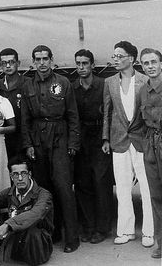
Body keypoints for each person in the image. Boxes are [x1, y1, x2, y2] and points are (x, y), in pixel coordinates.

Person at [20, 45, 80, 253]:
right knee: (44, 190)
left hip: (60, 137)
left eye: (46, 58)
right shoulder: (28, 86)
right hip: (38, 140)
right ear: (33, 62)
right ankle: (52, 233)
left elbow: (72, 115)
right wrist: (28, 145)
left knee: (64, 188)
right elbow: (25, 120)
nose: (42, 62)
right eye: (38, 59)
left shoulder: (63, 83)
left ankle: (72, 237)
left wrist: (73, 143)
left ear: (52, 60)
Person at [102, 41, 154, 247]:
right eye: (114, 56)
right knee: (122, 187)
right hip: (119, 140)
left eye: (119, 56)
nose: (115, 59)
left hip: (142, 140)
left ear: (131, 59)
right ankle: (126, 230)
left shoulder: (144, 79)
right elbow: (107, 112)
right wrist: (105, 138)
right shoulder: (109, 82)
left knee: (147, 187)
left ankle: (149, 232)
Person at [72, 49, 113, 244]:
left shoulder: (103, 85)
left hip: (99, 138)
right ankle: (88, 226)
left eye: (85, 63)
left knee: (101, 182)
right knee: (83, 183)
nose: (81, 67)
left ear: (92, 65)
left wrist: (106, 139)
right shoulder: (73, 88)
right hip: (82, 138)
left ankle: (102, 228)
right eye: (78, 64)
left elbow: (108, 113)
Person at [139, 48, 162, 259]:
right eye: (146, 63)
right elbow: (139, 123)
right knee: (156, 195)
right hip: (151, 144)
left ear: (161, 63)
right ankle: (161, 244)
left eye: (153, 62)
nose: (150, 66)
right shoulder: (143, 90)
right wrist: (144, 146)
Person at [0, 48, 30, 159]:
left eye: (11, 62)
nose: (8, 66)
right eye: (4, 63)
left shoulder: (28, 83)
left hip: (24, 135)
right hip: (4, 136)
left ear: (18, 63)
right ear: (0, 65)